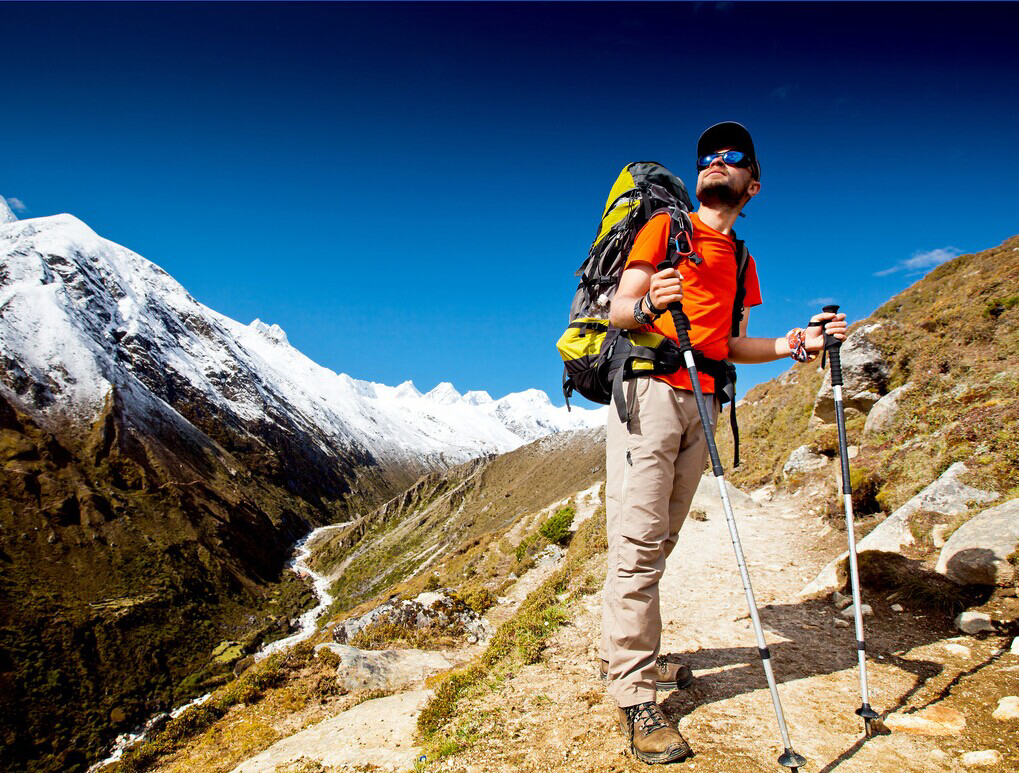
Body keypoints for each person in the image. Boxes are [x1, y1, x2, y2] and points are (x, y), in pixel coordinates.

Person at [599, 121, 847, 764]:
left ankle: (636, 658)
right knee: (637, 541)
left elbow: (732, 342)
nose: (715, 161)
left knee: (661, 540)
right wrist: (649, 300)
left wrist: (795, 345)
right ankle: (633, 693)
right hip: (651, 393)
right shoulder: (665, 227)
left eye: (731, 156)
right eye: (708, 154)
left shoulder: (740, 259)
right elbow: (618, 311)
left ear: (752, 184)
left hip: (705, 401)